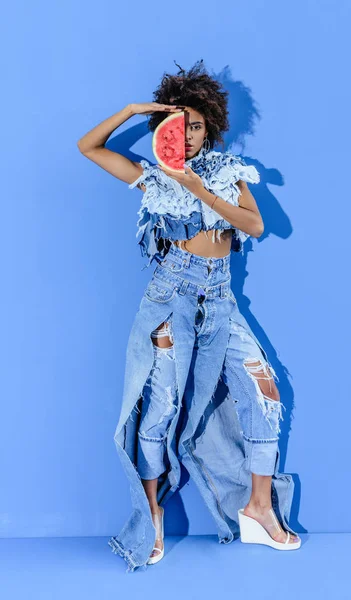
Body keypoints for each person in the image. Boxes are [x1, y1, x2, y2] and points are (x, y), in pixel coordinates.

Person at [78, 59, 301, 573]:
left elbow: (256, 226)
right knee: (160, 408)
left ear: (212, 127)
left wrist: (199, 189)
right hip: (169, 296)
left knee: (263, 395)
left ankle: (259, 509)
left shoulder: (229, 173)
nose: (188, 135)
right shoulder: (152, 178)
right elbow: (87, 148)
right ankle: (150, 512)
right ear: (163, 130)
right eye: (177, 127)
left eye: (196, 125)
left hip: (221, 300)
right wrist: (134, 110)